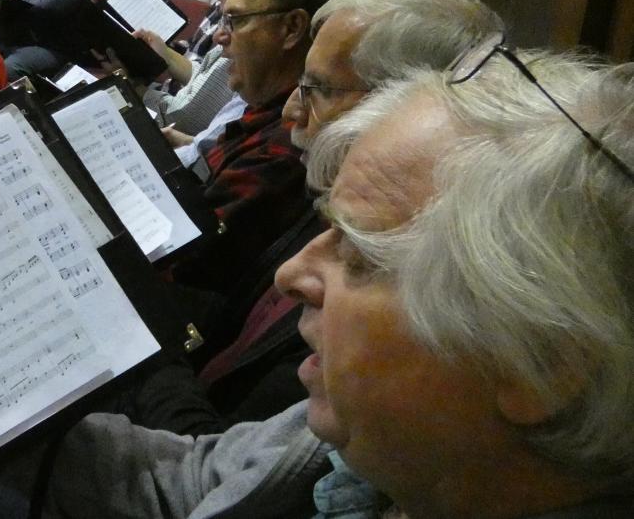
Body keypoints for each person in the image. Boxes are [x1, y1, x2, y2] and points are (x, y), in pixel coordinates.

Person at [44, 51, 634, 519]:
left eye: (362, 254)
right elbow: (196, 478)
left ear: (541, 362)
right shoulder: (370, 436)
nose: (291, 274)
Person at [120, 0, 505, 439]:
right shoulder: (324, 200)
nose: (290, 110)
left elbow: (217, 461)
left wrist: (143, 342)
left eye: (318, 89)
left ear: (409, 110)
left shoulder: (409, 294)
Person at [173, 0, 341, 290]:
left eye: (235, 20)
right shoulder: (262, 109)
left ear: (292, 28)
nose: (220, 37)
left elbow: (189, 262)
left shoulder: (290, 139)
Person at [139, 0, 273, 136]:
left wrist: (132, 89)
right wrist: (162, 51)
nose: (219, 37)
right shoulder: (222, 8)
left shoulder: (253, 37)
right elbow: (200, 75)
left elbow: (184, 119)